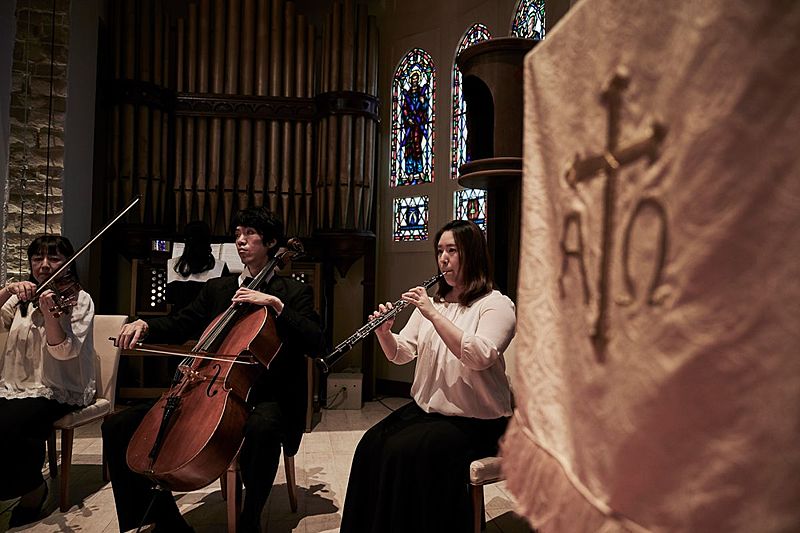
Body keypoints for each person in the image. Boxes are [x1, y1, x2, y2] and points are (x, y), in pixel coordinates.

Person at [102, 207, 324, 533]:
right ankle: (161, 521)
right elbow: (181, 323)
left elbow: (316, 342)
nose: (241, 240)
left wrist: (275, 305)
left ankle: (250, 520)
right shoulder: (219, 289)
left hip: (269, 396)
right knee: (118, 425)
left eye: (250, 233)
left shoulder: (292, 293)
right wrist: (144, 326)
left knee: (261, 428)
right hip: (209, 388)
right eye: (237, 234)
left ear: (271, 242)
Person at [339, 219, 516, 533]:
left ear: (473, 254)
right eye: (439, 251)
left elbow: (479, 356)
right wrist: (384, 333)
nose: (443, 259)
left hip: (478, 420)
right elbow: (402, 353)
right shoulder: (435, 304)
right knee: (371, 444)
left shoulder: (496, 305)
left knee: (405, 453)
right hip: (430, 413)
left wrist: (432, 314)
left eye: (452, 250)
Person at [0, 236, 95, 529]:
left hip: (59, 387)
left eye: (53, 259)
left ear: (68, 263)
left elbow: (64, 352)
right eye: (37, 258)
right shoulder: (20, 298)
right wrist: (7, 290)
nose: (44, 265)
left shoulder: (79, 300)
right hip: (16, 384)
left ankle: (32, 490)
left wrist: (50, 315)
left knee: (13, 422)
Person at [166, 220, 228, 313]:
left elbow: (169, 298)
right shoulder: (220, 267)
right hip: (208, 320)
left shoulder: (171, 265)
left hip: (177, 319)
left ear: (186, 242)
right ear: (208, 242)